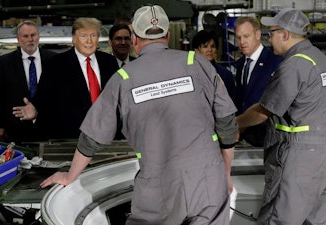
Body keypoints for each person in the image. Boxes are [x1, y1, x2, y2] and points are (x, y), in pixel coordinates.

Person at [41, 5, 238, 225]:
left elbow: (91, 139)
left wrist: (70, 176)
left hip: (158, 187)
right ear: (168, 35)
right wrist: (224, 172)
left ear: (134, 38)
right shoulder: (198, 63)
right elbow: (227, 124)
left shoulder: (122, 78)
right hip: (209, 179)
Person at [236, 8, 326, 224]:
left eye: (271, 33)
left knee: (278, 219)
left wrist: (235, 124)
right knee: (316, 220)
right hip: (324, 156)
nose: (269, 39)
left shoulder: (294, 66)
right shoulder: (320, 60)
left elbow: (264, 112)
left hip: (298, 159)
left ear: (285, 34)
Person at [13, 17, 119, 140]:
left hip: (106, 136)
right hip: (72, 138)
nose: (89, 41)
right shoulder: (56, 64)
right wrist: (35, 110)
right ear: (74, 39)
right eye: (84, 36)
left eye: (93, 36)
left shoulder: (109, 62)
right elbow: (44, 97)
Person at [0, 20, 56, 143]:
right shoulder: (4, 62)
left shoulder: (54, 59)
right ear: (18, 39)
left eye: (33, 35)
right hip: (16, 128)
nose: (30, 39)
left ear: (38, 36)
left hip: (48, 126)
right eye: (26, 36)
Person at [234, 16, 283, 147]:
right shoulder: (239, 65)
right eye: (238, 37)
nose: (242, 42)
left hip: (268, 137)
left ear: (257, 34)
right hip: (244, 137)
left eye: (246, 36)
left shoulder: (275, 62)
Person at [192, 29, 236, 101]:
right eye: (205, 46)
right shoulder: (189, 72)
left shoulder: (226, 74)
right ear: (196, 50)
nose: (210, 50)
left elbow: (233, 101)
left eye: (213, 46)